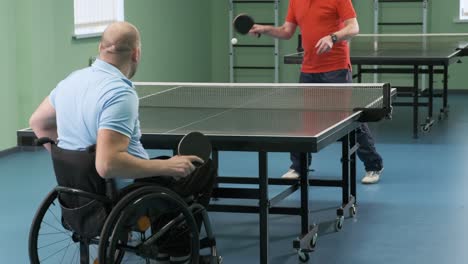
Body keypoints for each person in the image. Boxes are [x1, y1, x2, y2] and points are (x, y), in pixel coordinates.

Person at [29, 21, 215, 263]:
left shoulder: (71, 80)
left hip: (79, 192)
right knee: (203, 169)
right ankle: (176, 249)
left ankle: (160, 234)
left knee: (165, 169)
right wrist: (169, 166)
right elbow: (107, 165)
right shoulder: (119, 93)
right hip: (122, 191)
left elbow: (38, 122)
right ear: (136, 53)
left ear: (100, 48)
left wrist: (71, 157)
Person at [249, 0, 383, 184]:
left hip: (336, 68)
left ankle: (373, 165)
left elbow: (354, 27)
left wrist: (332, 37)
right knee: (305, 119)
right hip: (309, 70)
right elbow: (287, 31)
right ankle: (298, 166)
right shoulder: (296, 1)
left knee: (349, 120)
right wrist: (264, 29)